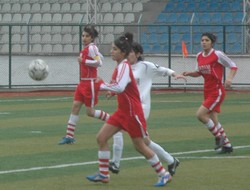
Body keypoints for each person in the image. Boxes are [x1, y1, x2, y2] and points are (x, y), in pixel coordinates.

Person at [86, 32, 172, 187]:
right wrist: (105, 87)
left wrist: (100, 85)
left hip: (133, 113)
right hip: (122, 112)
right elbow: (118, 87)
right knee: (101, 138)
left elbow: (119, 87)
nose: (111, 51)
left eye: (114, 49)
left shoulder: (124, 67)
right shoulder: (120, 66)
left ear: (123, 52)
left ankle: (163, 174)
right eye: (112, 49)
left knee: (140, 146)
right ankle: (104, 174)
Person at [109, 42, 186, 176]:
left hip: (141, 108)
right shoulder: (124, 67)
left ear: (138, 54)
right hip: (129, 109)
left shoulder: (146, 66)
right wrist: (112, 91)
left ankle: (115, 163)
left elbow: (163, 70)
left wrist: (175, 74)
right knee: (144, 141)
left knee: (123, 132)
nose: (128, 55)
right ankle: (171, 160)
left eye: (131, 52)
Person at [182, 32, 237, 153]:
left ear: (212, 43)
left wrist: (229, 78)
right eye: (202, 40)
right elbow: (199, 73)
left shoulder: (217, 54)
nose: (204, 42)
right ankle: (227, 146)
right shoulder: (199, 56)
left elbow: (233, 65)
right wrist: (189, 73)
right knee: (213, 119)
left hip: (216, 91)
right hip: (207, 90)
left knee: (200, 115)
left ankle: (219, 138)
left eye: (206, 40)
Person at [58, 25, 110, 145]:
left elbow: (99, 62)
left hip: (89, 83)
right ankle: (69, 136)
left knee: (90, 112)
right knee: (75, 106)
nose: (84, 38)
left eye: (87, 36)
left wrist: (84, 61)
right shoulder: (88, 48)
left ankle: (112, 120)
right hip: (82, 82)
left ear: (92, 38)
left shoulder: (91, 48)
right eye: (83, 35)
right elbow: (100, 58)